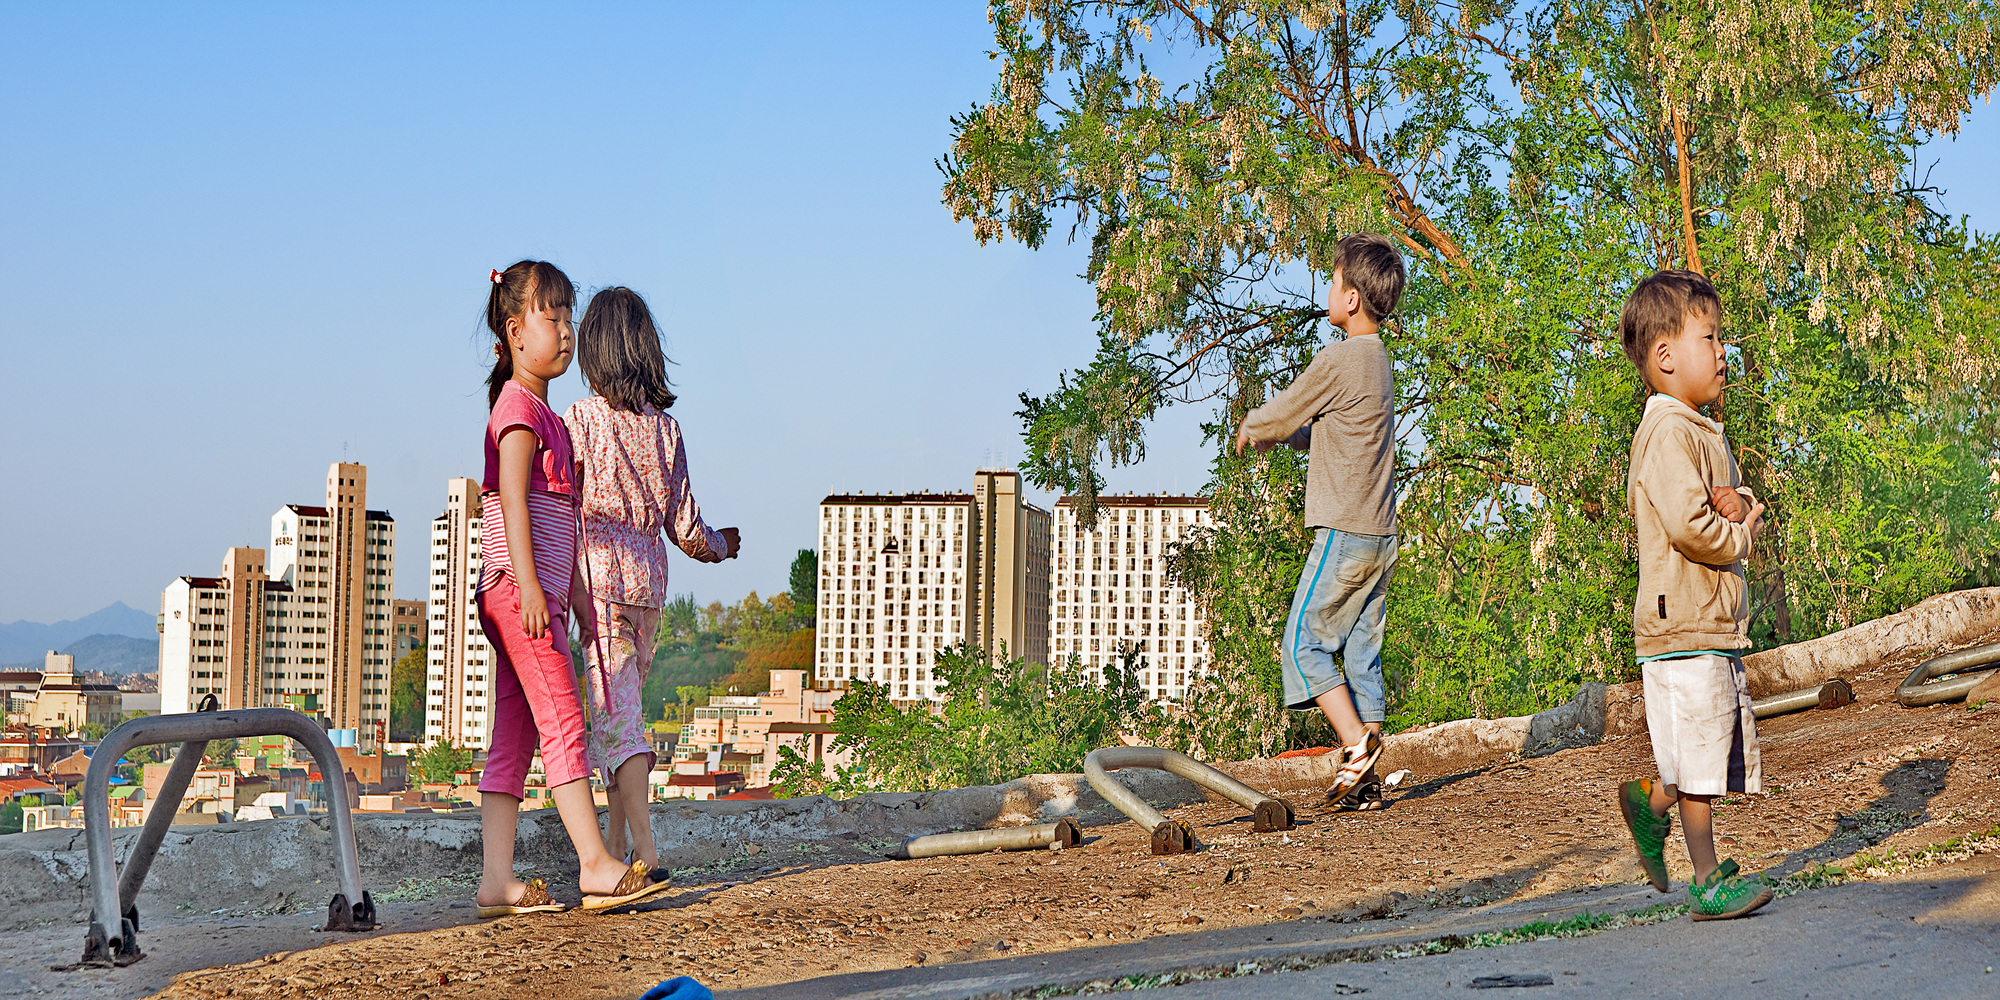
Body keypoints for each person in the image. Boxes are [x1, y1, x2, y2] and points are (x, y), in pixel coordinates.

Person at [471, 260, 673, 918]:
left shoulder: (550, 418)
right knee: (565, 724)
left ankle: (495, 881)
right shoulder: (519, 411)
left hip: (537, 596)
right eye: (549, 316)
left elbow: (565, 520)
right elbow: (512, 500)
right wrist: (531, 587)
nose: (563, 331)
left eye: (567, 317)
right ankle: (595, 865)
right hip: (520, 592)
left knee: (517, 736)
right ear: (513, 328)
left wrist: (572, 600)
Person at [1614, 269, 1773, 920]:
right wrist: (1738, 535)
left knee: (1695, 751)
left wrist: (1741, 502)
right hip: (1682, 624)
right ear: (1666, 356)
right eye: (1710, 338)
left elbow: (1718, 501)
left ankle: (1650, 806)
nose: (1722, 351)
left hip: (1701, 623)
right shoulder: (1668, 432)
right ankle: (1705, 880)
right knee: (1704, 755)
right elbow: (1688, 524)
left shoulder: (1699, 429)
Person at [565, 286, 739, 873]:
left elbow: (561, 502)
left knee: (620, 722)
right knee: (623, 718)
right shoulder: (667, 431)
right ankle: (616, 850)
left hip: (600, 585)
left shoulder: (581, 422)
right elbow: (686, 527)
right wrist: (722, 547)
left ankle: (646, 850)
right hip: (650, 591)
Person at [1233, 233, 1404, 809]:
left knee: (1303, 644)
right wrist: (1287, 435)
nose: (1328, 291)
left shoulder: (1337, 359)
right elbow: (1331, 429)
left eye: (1333, 282)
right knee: (1359, 652)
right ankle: (1367, 782)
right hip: (1381, 534)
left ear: (1352, 298)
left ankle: (1355, 745)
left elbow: (1286, 411)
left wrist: (1254, 427)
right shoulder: (1379, 363)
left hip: (1345, 531)